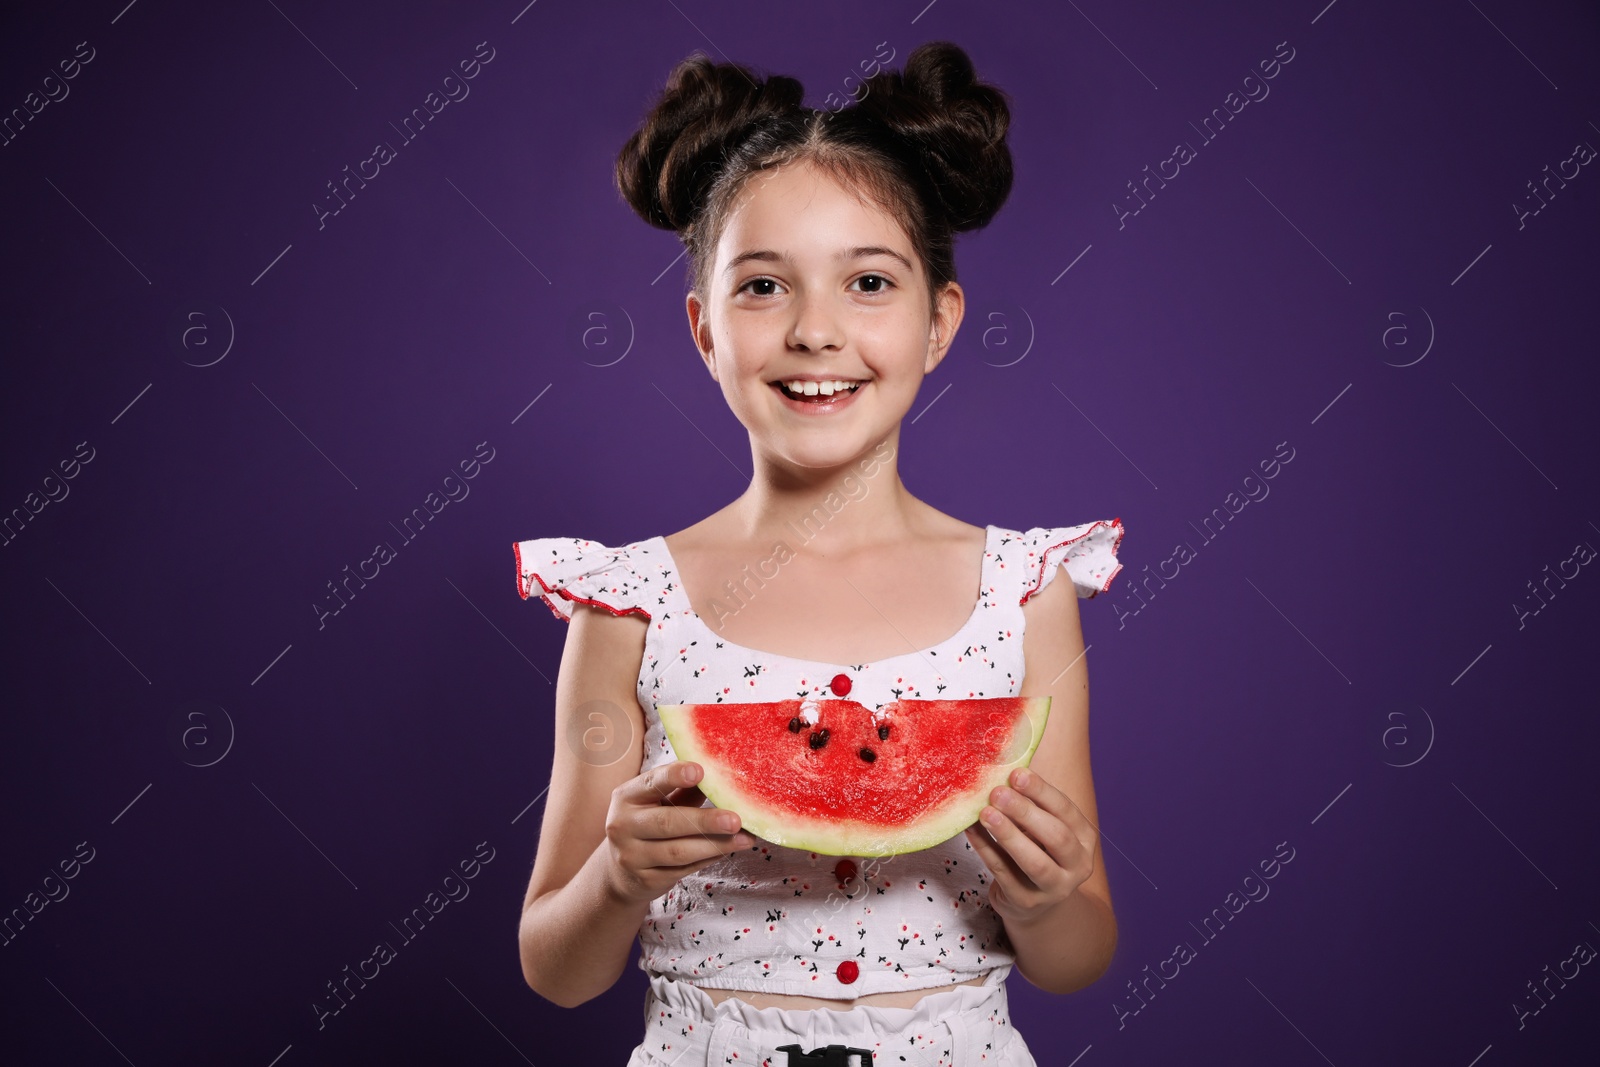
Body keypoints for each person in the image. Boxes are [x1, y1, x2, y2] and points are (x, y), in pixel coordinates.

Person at [512, 40, 1127, 1066]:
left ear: (938, 322)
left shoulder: (1023, 594)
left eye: (869, 282)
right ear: (706, 333)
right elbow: (554, 965)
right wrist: (615, 877)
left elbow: (1077, 954)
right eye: (762, 287)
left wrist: (1055, 893)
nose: (813, 331)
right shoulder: (624, 604)